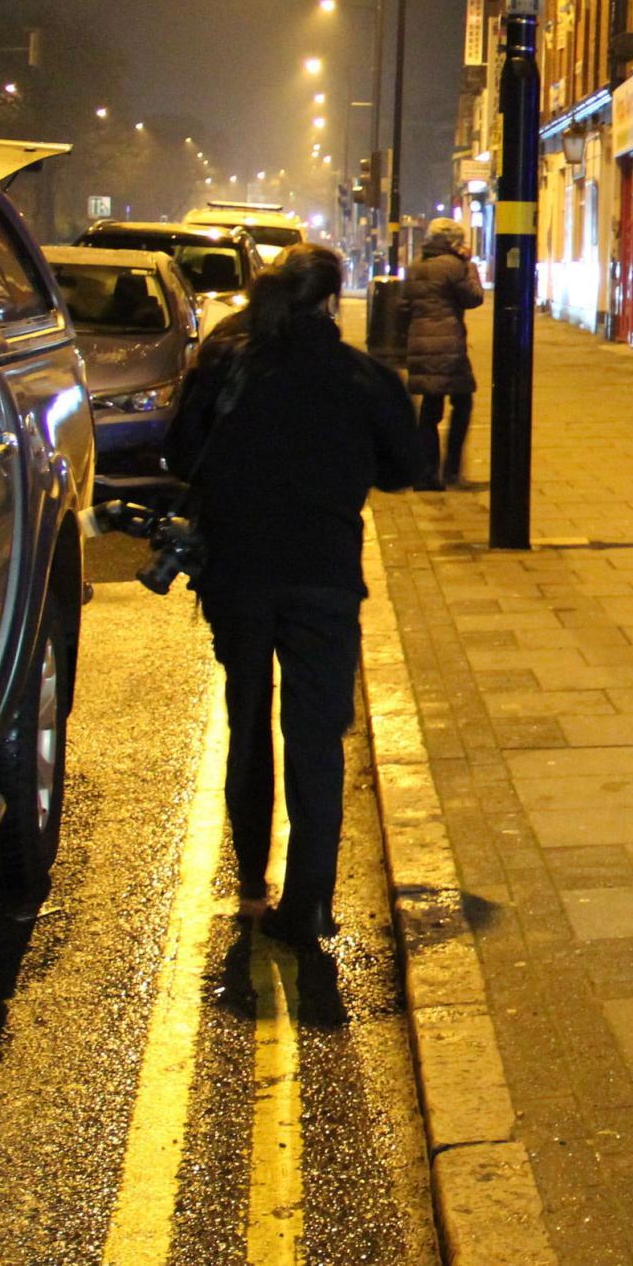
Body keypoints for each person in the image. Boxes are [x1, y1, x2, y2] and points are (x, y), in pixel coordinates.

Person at [165, 244, 426, 946]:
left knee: (247, 723)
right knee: (315, 738)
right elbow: (406, 468)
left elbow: (180, 453)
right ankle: (309, 899)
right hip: (324, 576)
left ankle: (252, 882)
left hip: (238, 571)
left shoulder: (228, 361)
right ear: (333, 301)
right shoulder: (363, 377)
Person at [403, 219, 484, 489]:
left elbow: (403, 305)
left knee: (430, 408)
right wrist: (469, 265)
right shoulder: (454, 266)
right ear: (453, 242)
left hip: (419, 344)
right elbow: (473, 297)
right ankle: (451, 468)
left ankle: (427, 474)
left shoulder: (416, 266)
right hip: (449, 345)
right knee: (462, 402)